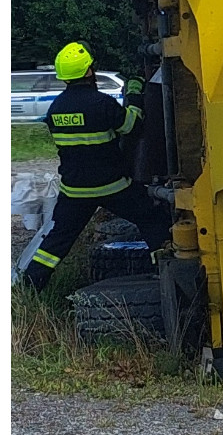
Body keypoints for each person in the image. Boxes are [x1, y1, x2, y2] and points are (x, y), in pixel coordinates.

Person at [18, 41, 173, 291]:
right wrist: (133, 95)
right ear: (89, 71)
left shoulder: (56, 108)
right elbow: (132, 127)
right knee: (152, 219)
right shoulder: (101, 103)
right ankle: (163, 271)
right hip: (113, 187)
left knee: (56, 242)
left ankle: (29, 289)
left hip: (75, 191)